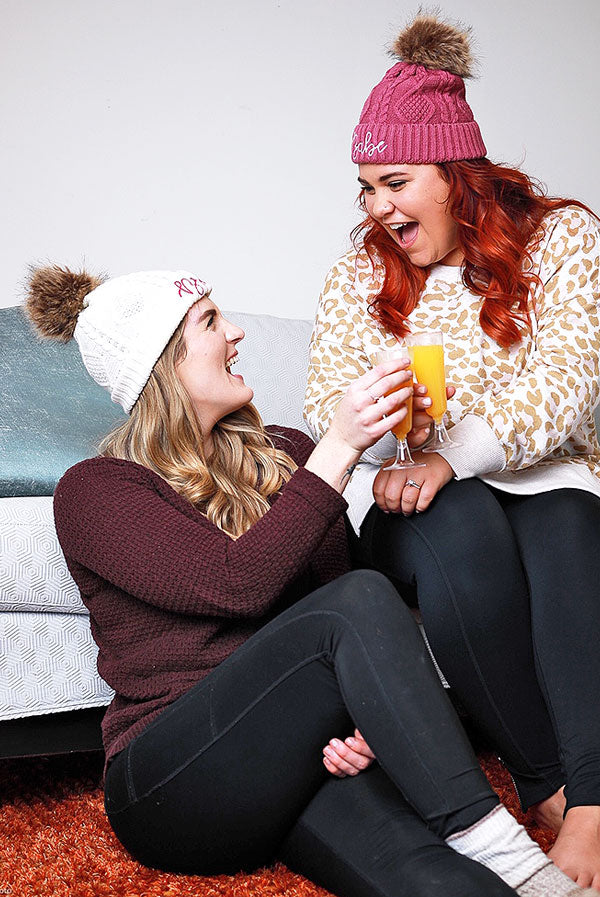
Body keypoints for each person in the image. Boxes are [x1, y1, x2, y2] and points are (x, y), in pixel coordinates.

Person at [24, 265, 592, 897]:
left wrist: (372, 721)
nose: (237, 332)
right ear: (159, 364)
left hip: (301, 762)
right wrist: (341, 447)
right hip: (176, 781)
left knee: (432, 878)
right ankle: (504, 848)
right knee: (354, 603)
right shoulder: (99, 489)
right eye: (211, 321)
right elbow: (236, 584)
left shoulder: (288, 453)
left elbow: (360, 623)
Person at [303, 10, 600, 894]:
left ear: (459, 174)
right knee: (461, 512)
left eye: (395, 181)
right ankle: (546, 784)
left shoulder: (565, 239)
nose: (376, 207)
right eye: (364, 187)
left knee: (567, 516)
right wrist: (390, 415)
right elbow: (326, 400)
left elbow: (569, 381)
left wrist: (453, 451)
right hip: (420, 509)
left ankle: (589, 800)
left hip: (549, 483)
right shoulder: (360, 275)